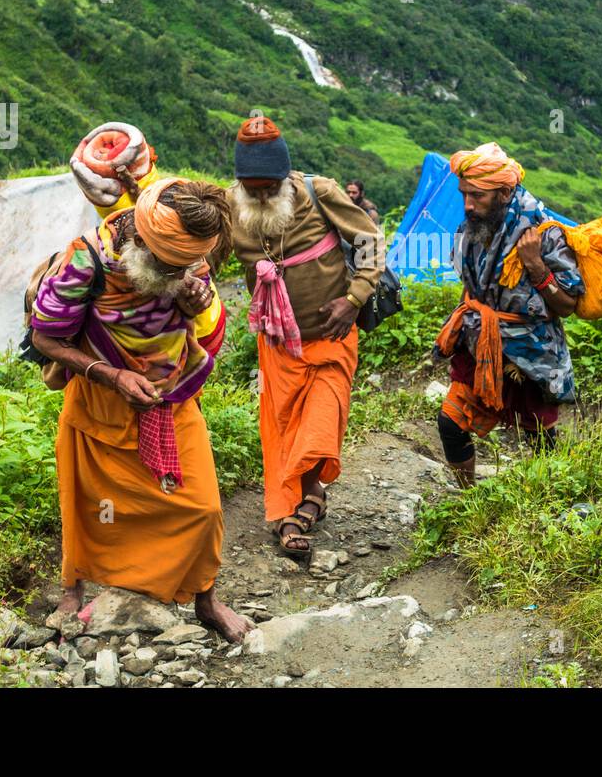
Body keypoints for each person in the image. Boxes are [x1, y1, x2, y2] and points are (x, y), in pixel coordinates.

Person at [30, 176, 253, 642]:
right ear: (140, 243)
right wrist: (110, 375)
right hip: (99, 399)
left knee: (203, 508)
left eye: (189, 265)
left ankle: (205, 599)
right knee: (89, 504)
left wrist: (196, 300)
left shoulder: (187, 254)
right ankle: (73, 588)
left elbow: (198, 308)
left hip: (169, 395)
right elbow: (44, 337)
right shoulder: (83, 262)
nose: (183, 274)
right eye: (172, 267)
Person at [228, 115, 384, 559]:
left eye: (268, 188)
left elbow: (370, 241)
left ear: (284, 177)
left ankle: (304, 503)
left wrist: (353, 299)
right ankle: (303, 502)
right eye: (251, 188)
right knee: (282, 428)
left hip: (329, 338)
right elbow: (200, 249)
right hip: (277, 344)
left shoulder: (321, 193)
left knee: (318, 422)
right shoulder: (230, 206)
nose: (260, 195)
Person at [433, 142, 585, 487]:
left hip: (528, 355)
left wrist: (534, 265)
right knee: (450, 422)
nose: (468, 205)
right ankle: (469, 497)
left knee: (537, 435)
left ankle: (554, 494)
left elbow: (567, 305)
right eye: (464, 195)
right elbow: (470, 287)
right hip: (480, 344)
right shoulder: (472, 228)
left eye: (477, 196)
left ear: (504, 193)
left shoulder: (545, 235)